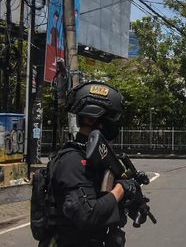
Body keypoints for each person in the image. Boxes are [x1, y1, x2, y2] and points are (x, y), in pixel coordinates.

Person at [44, 81, 143, 247]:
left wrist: (133, 201)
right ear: (92, 118)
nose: (114, 125)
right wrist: (121, 189)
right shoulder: (73, 161)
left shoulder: (94, 159)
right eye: (111, 118)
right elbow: (87, 215)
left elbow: (103, 199)